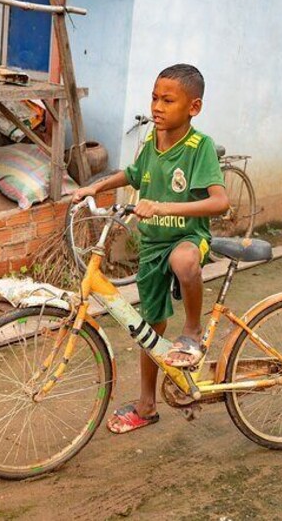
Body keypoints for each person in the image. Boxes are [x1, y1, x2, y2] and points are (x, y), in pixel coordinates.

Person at [71, 63, 228, 434]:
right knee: (149, 329)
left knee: (184, 259)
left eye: (168, 100)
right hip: (152, 245)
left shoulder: (198, 147)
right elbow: (133, 173)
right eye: (154, 98)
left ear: (193, 107)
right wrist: (97, 186)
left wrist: (165, 207)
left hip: (187, 237)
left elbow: (220, 201)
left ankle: (191, 329)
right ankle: (146, 404)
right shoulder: (153, 142)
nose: (157, 106)